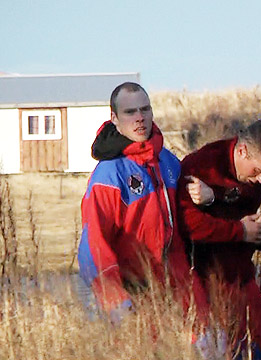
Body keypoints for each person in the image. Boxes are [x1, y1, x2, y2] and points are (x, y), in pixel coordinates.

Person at [77, 82, 208, 328]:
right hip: (134, 295)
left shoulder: (168, 162)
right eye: (130, 112)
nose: (139, 118)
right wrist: (117, 302)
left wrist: (208, 197)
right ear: (114, 118)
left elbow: (189, 226)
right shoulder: (108, 175)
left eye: (145, 109)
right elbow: (92, 248)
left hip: (179, 289)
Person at [178, 120, 261, 360]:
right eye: (257, 171)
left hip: (242, 274)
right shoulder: (203, 166)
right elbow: (190, 225)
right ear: (241, 151)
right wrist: (240, 231)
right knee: (227, 351)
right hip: (206, 279)